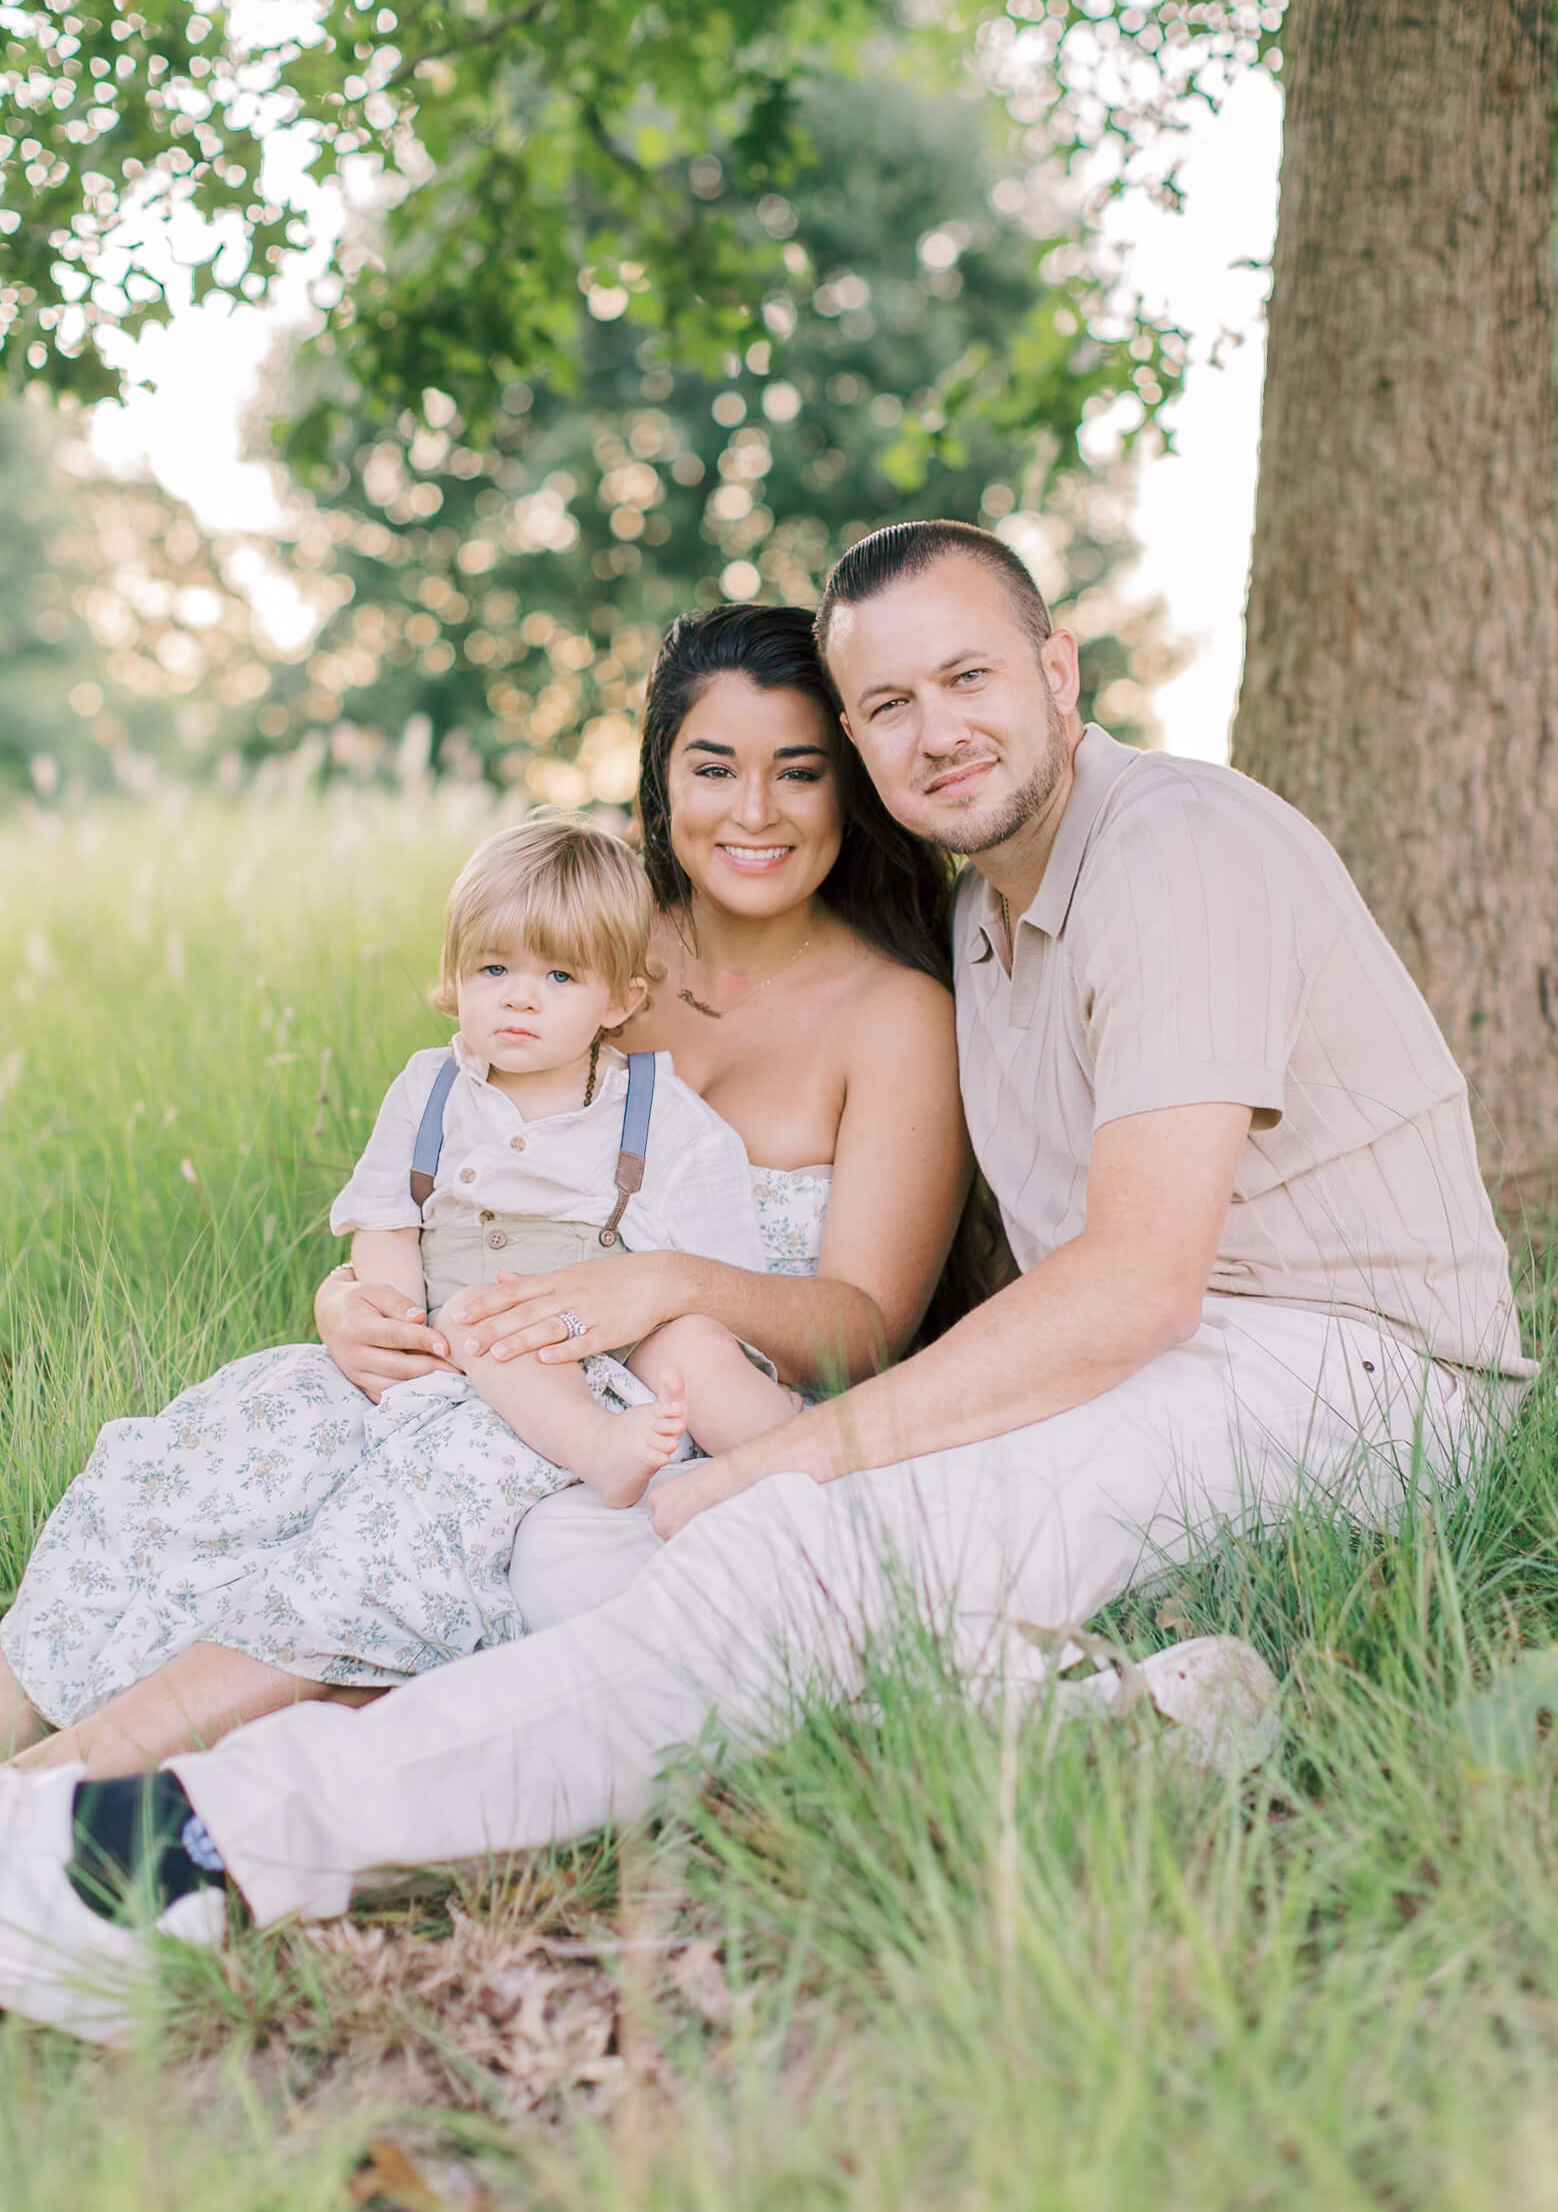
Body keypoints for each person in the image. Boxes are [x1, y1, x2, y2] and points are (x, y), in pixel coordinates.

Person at [0, 523, 1534, 2045]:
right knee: (581, 1557)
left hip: (1339, 1361)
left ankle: (181, 1845)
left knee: (779, 1551)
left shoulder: (1175, 849)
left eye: (970, 677)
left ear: (1057, 667)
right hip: (1160, 1358)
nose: (935, 731)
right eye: (887, 706)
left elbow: (1135, 1282)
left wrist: (786, 1454)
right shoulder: (988, 916)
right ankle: (1114, 1716)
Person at [0, 603, 969, 1785]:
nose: (754, 810)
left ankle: (69, 1781)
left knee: (412, 1511)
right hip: (464, 1351)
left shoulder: (893, 1015)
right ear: (662, 783)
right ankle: (27, 1710)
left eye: (799, 773)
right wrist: (353, 1303)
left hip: (639, 1408)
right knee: (204, 1452)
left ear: (849, 789)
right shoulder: (572, 946)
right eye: (713, 767)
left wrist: (653, 1287)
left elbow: (865, 1330)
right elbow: (429, 1180)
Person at [2, 814, 825, 1779]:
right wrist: (380, 1315)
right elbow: (388, 1219)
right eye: (494, 971)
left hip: (571, 1365)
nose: (522, 1000)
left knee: (451, 1441)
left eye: (559, 977)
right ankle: (41, 1677)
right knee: (224, 1432)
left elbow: (714, 1281)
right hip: (429, 1357)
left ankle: (82, 1765)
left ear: (620, 997)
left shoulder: (655, 1110)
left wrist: (621, 1328)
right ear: (452, 979)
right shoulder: (431, 1088)